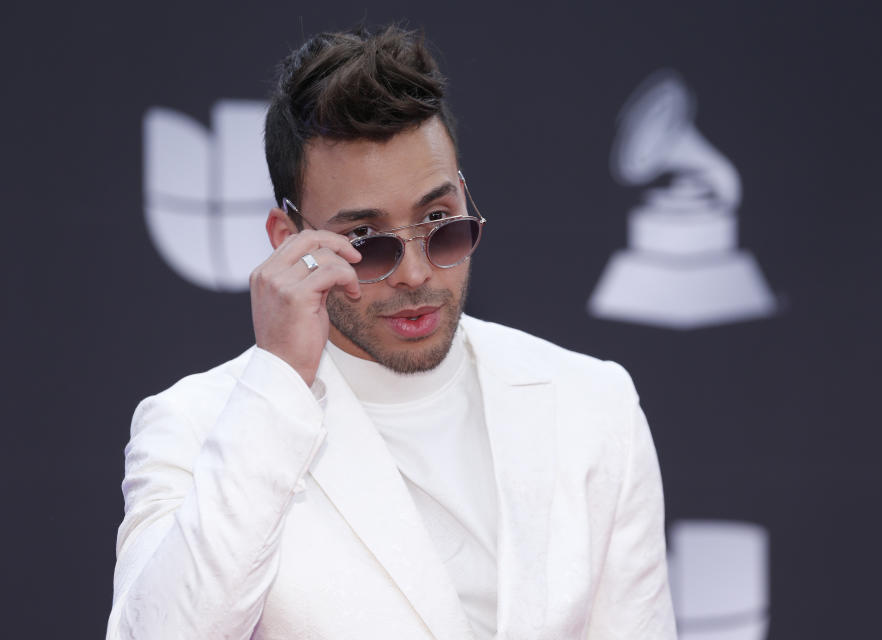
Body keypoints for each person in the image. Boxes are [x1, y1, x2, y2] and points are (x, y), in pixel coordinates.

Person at [107, 24, 676, 640]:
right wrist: (278, 381)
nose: (414, 273)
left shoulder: (593, 405)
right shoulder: (196, 425)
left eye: (440, 222)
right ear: (288, 241)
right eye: (366, 243)